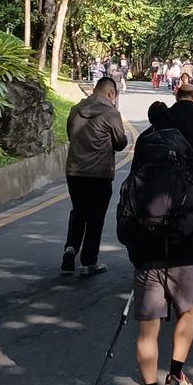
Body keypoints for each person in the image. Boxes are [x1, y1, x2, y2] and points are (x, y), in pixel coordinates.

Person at [118, 101, 193, 385]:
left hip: (147, 255)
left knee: (148, 328)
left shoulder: (140, 163)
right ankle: (176, 374)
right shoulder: (190, 162)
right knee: (186, 312)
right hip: (183, 250)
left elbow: (124, 220)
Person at [61, 76, 128, 276]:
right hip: (99, 173)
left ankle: (70, 249)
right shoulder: (111, 113)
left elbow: (70, 135)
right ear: (111, 93)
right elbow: (121, 142)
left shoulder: (75, 109)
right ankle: (89, 261)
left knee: (78, 211)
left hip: (74, 171)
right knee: (95, 217)